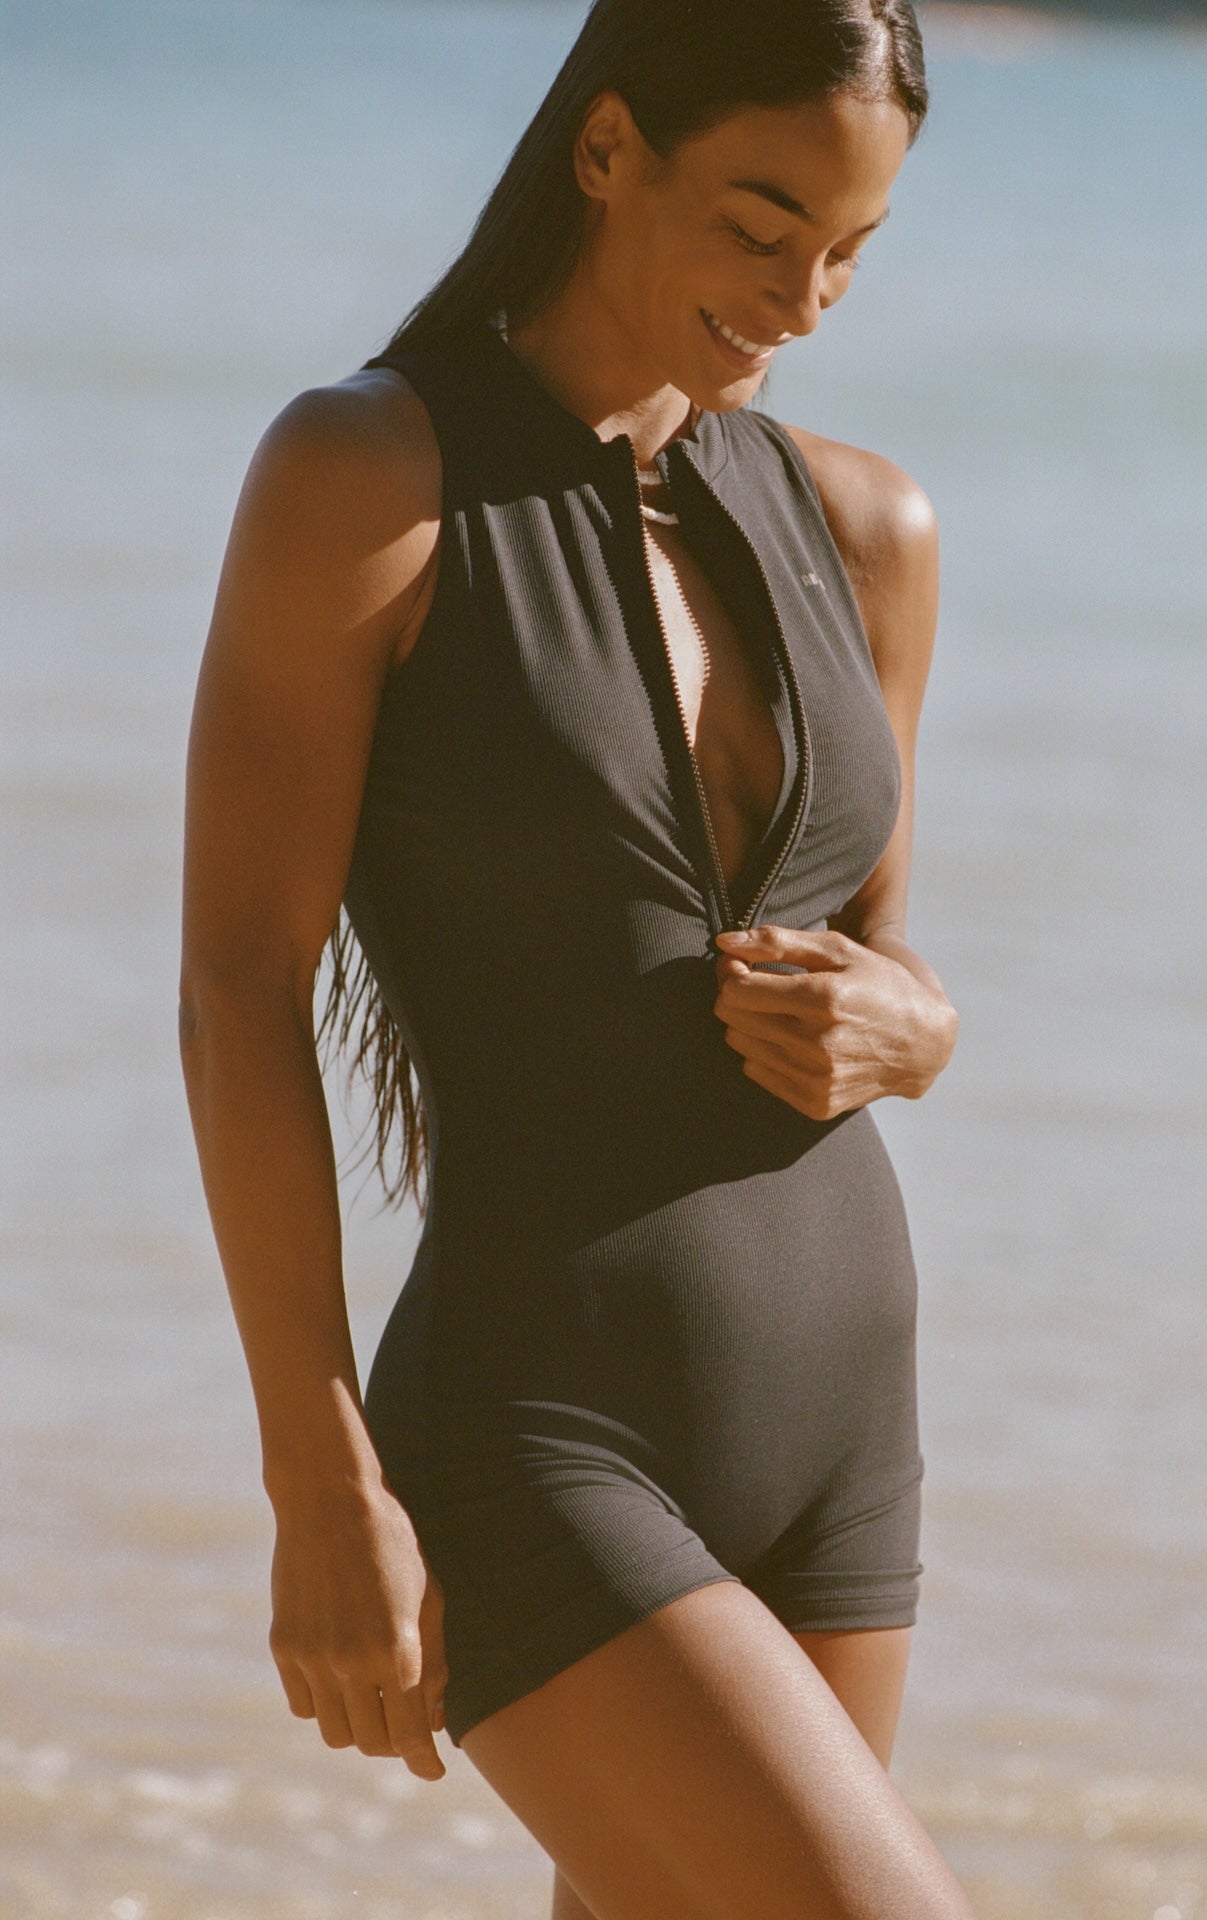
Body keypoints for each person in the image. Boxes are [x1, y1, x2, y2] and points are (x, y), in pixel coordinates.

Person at [180, 1, 972, 1913]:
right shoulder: (366, 475)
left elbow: (890, 963)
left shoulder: (865, 526)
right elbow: (237, 989)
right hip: (546, 1421)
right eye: (761, 226)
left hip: (844, 1432)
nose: (799, 301)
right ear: (607, 150)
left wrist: (915, 1032)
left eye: (848, 254)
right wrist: (318, 1473)